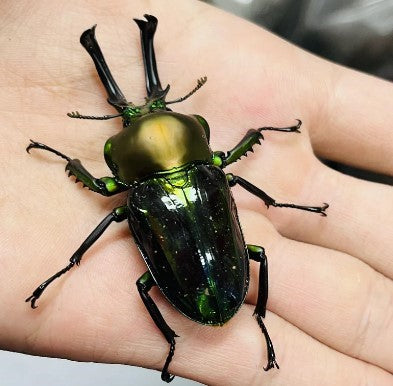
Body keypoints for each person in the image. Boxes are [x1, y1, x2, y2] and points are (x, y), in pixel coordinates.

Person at [1, 0, 392, 384]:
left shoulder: (140, 194)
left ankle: (188, 338)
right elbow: (230, 165)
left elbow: (99, 186)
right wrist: (258, 134)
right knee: (256, 253)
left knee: (145, 286)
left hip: (193, 285)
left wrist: (68, 161)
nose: (142, 109)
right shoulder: (214, 173)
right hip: (211, 281)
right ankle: (203, 335)